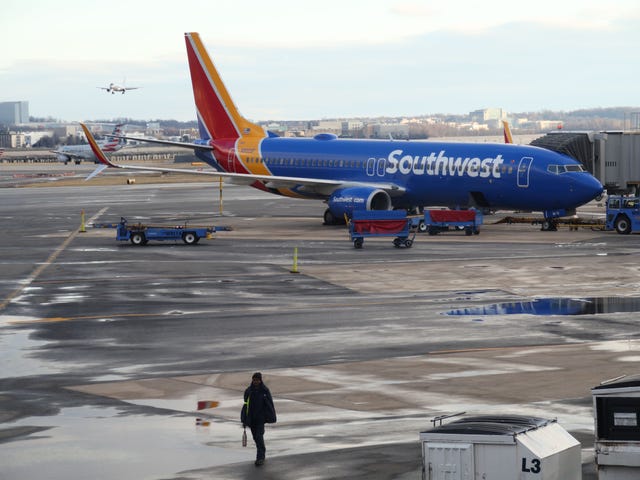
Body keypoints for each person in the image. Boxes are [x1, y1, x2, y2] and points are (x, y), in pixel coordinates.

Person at [241, 372, 276, 466]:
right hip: (251, 419)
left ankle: (260, 457)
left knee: (259, 436)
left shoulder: (265, 391)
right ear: (252, 380)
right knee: (255, 437)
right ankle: (261, 452)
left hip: (260, 419)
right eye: (254, 380)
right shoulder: (248, 391)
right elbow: (245, 406)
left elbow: (269, 405)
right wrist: (244, 419)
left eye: (257, 380)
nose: (256, 381)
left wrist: (270, 417)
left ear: (260, 380)